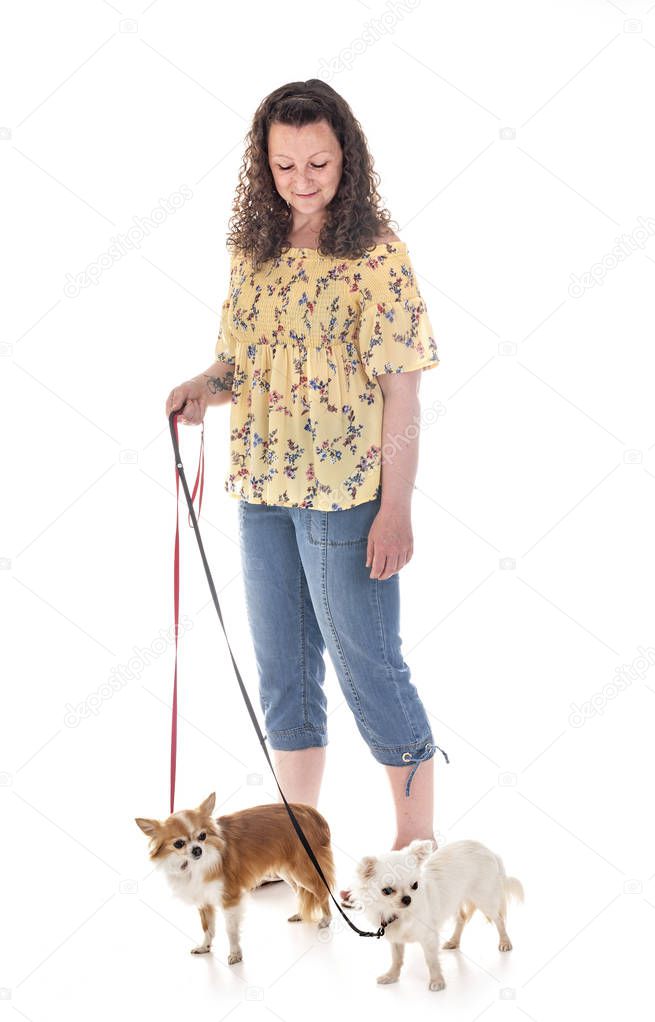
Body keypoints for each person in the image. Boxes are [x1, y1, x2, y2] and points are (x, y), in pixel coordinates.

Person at [164, 80, 448, 906]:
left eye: (318, 161)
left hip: (347, 497)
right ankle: (296, 844)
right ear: (265, 163)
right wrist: (198, 387)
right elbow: (240, 365)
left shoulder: (375, 253)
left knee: (368, 667)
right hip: (262, 489)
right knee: (283, 670)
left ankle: (414, 849)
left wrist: (395, 507)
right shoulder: (252, 246)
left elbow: (402, 391)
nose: (301, 177)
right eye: (284, 163)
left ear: (344, 158)